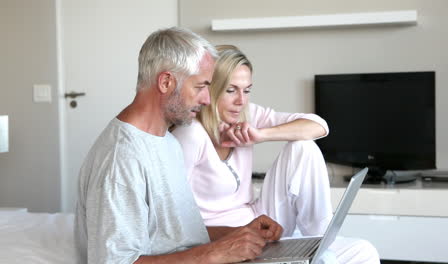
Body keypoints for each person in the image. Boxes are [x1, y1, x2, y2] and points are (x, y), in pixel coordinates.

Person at [74, 28, 283, 264]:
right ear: (166, 82)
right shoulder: (120, 159)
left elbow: (172, 237)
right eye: (200, 86)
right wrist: (215, 253)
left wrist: (239, 234)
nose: (206, 99)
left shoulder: (168, 142)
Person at [172, 45, 381, 263]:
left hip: (261, 222)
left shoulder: (247, 115)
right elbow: (171, 223)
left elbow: (319, 126)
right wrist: (237, 234)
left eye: (247, 90)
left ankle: (320, 243)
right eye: (231, 90)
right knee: (361, 253)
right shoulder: (190, 135)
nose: (241, 101)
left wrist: (261, 134)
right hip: (226, 242)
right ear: (211, 90)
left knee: (303, 147)